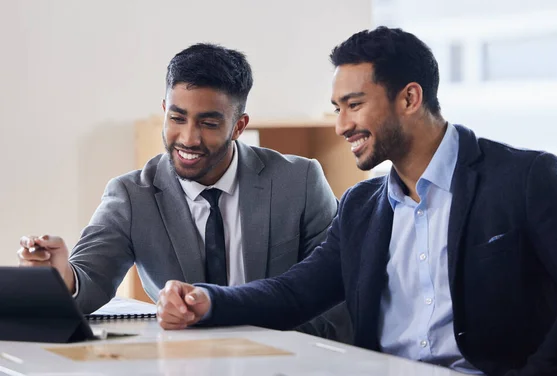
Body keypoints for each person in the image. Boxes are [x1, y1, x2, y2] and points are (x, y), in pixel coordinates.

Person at [156, 27, 557, 375]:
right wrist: (206, 301)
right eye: (337, 108)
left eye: (354, 105)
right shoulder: (362, 206)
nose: (341, 126)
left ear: (409, 97)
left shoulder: (522, 178)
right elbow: (296, 293)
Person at [17, 43, 351, 343]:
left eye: (208, 123)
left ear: (239, 125)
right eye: (177, 118)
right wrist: (61, 276)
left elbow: (336, 296)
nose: (188, 138)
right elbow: (89, 280)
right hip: (183, 363)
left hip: (285, 358)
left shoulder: (300, 181)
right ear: (165, 110)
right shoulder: (132, 195)